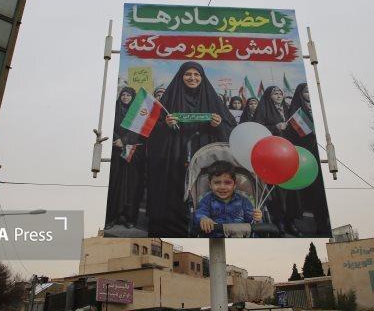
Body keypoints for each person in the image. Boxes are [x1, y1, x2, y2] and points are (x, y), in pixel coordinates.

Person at [146, 61, 237, 237]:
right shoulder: (170, 98)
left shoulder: (213, 100)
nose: (192, 78)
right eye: (188, 74)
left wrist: (219, 125)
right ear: (181, 77)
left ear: (202, 77)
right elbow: (152, 129)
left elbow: (230, 128)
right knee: (174, 189)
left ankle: (205, 224)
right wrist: (165, 125)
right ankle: (172, 227)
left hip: (205, 154)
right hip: (175, 155)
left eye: (196, 74)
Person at [285, 83, 331, 235]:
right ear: (300, 94)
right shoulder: (296, 114)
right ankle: (319, 224)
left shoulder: (318, 109)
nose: (309, 95)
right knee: (315, 193)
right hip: (308, 158)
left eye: (310, 92)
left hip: (322, 157)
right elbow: (302, 137)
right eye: (306, 92)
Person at [252, 86, 292, 235]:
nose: (279, 95)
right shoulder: (263, 109)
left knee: (288, 189)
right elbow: (257, 128)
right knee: (275, 190)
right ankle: (278, 221)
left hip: (286, 154)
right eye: (275, 93)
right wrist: (275, 127)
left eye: (281, 93)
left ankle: (290, 221)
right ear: (269, 96)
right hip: (270, 154)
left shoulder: (286, 109)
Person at [105, 87, 146, 230]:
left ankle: (130, 218)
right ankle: (112, 217)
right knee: (115, 184)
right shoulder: (114, 110)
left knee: (131, 186)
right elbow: (108, 125)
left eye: (128, 95)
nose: (125, 97)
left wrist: (124, 140)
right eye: (123, 94)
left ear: (133, 97)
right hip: (116, 152)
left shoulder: (138, 113)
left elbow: (139, 130)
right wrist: (117, 139)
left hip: (133, 154)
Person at [195, 160, 262, 236]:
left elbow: (252, 222)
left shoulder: (243, 201)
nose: (222, 187)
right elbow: (200, 213)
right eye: (217, 183)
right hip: (216, 237)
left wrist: (257, 218)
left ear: (234, 185)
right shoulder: (206, 201)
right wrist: (204, 219)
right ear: (210, 185)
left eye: (227, 182)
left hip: (240, 237)